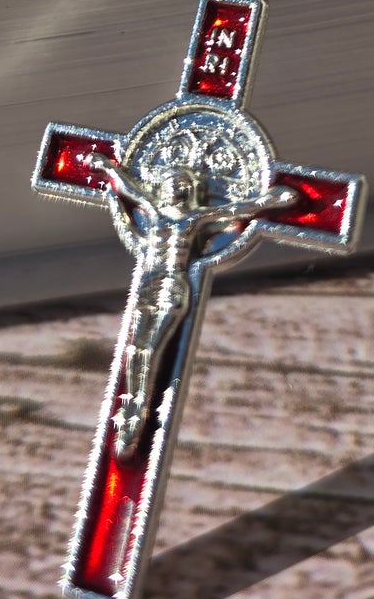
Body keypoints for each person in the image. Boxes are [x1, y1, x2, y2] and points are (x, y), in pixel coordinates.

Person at [92, 136, 295, 457]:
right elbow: (131, 189)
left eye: (181, 184)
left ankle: (139, 419)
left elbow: (237, 208)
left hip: (173, 283)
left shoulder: (194, 219)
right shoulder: (155, 211)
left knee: (153, 351)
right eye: (171, 183)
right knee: (136, 349)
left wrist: (271, 200)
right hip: (149, 282)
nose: (175, 188)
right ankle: (130, 416)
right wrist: (107, 167)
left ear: (189, 191)